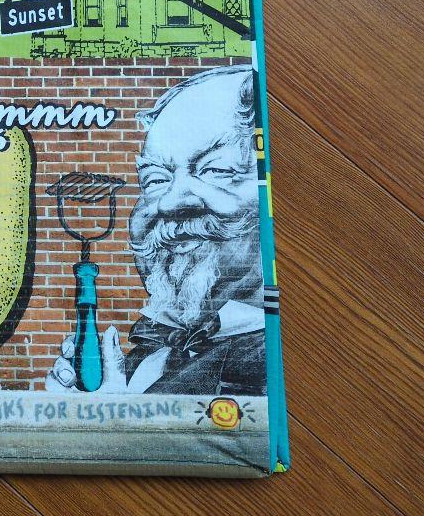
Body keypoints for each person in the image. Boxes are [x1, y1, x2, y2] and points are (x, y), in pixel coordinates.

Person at [46, 65, 266, 396]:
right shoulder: (150, 355)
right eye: (156, 179)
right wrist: (97, 408)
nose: (170, 202)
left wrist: (117, 419)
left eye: (216, 170)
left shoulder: (267, 365)